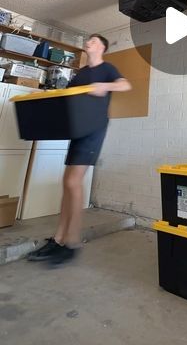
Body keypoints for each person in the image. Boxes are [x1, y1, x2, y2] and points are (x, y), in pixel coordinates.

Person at [28, 33, 132, 267]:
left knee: (74, 183)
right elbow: (65, 97)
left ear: (102, 47)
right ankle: (58, 239)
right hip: (78, 130)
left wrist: (103, 86)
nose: (89, 43)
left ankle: (72, 243)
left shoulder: (107, 69)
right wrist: (42, 95)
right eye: (88, 40)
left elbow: (126, 85)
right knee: (67, 183)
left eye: (94, 41)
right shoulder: (81, 74)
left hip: (94, 130)